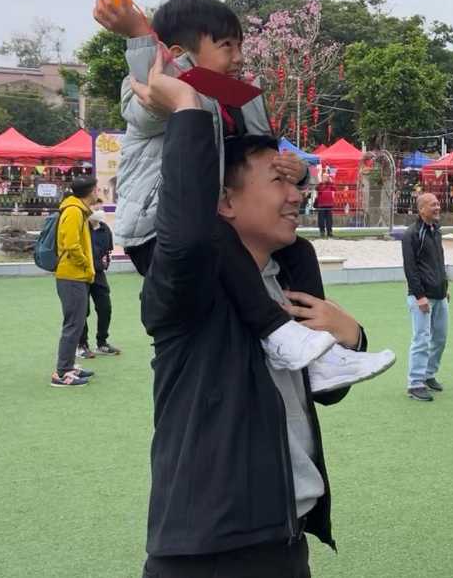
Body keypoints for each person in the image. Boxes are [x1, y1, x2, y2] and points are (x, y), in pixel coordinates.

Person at [135, 60, 385, 577]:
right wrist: (185, 110)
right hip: (207, 552)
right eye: (278, 181)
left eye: (295, 181)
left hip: (286, 537)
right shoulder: (192, 293)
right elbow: (184, 238)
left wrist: (351, 336)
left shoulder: (284, 284)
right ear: (223, 200)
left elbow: (325, 391)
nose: (297, 195)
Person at [94, 0, 308, 275]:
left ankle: (302, 317)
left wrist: (299, 172)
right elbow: (153, 86)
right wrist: (137, 32)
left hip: (214, 222)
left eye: (240, 46)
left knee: (298, 254)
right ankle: (269, 318)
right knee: (233, 276)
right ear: (179, 54)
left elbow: (260, 158)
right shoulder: (158, 87)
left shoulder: (239, 100)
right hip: (158, 229)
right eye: (227, 46)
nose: (240, 58)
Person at [51, 175, 100, 387]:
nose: (98, 193)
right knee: (73, 323)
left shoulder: (77, 209)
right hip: (72, 274)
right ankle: (62, 372)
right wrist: (86, 264)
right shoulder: (73, 211)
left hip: (76, 274)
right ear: (91, 192)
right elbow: (71, 245)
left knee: (77, 322)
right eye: (97, 189)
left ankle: (68, 365)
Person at [403, 192, 450, 402]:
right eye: (433, 204)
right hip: (421, 298)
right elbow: (410, 267)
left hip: (439, 294)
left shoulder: (436, 231)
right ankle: (415, 383)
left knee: (439, 337)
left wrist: (444, 285)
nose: (437, 207)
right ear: (421, 209)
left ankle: (428, 374)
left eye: (438, 203)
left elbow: (439, 260)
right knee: (421, 339)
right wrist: (419, 295)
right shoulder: (412, 234)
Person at [77, 199, 121, 358]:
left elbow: (107, 251)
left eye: (101, 208)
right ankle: (82, 344)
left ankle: (102, 342)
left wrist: (105, 262)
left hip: (99, 275)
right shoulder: (81, 228)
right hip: (81, 274)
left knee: (105, 308)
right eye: (96, 208)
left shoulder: (105, 229)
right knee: (83, 310)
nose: (100, 211)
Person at [315, 173, 335, 238]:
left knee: (329, 219)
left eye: (327, 177)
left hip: (329, 204)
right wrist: (322, 182)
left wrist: (332, 182)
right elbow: (316, 188)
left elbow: (336, 189)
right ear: (322, 177)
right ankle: (322, 231)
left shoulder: (330, 184)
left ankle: (329, 231)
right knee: (321, 219)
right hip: (321, 204)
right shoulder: (320, 184)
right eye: (325, 177)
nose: (326, 178)